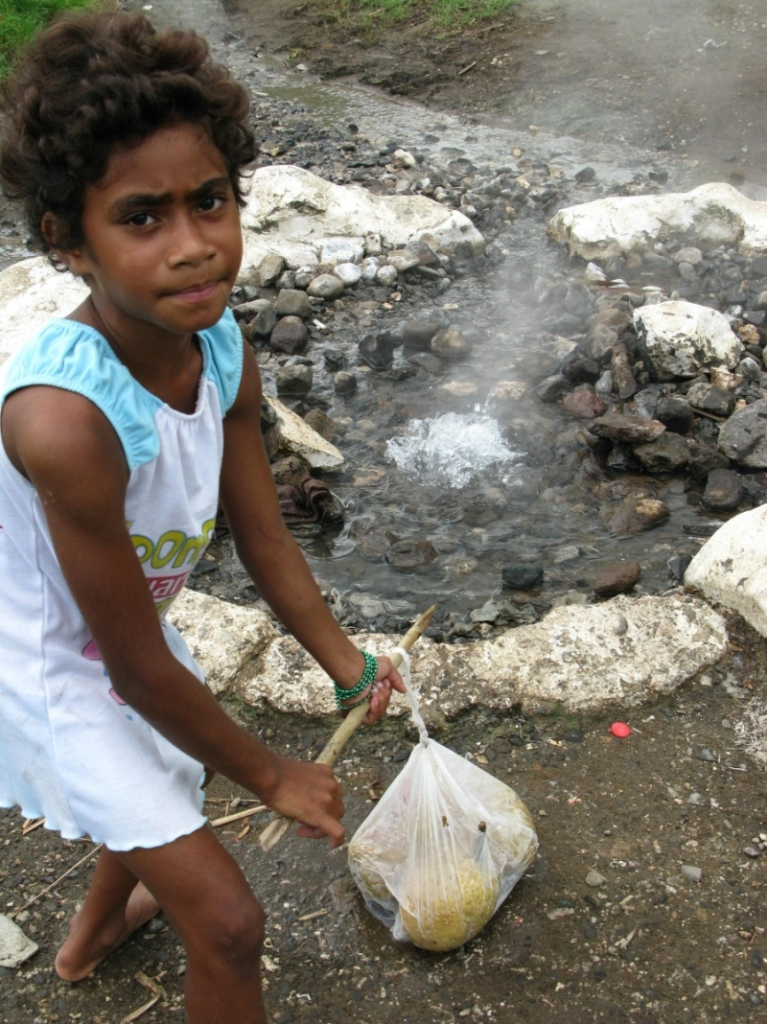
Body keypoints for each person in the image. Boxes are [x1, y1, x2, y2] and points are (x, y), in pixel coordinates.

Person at [0, 11, 404, 1021]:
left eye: (211, 202)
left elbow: (264, 540)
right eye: (142, 218)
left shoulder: (220, 347)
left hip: (126, 632)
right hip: (52, 665)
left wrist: (344, 661)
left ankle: (85, 947)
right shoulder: (63, 423)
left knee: (166, 784)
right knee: (226, 922)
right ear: (66, 243)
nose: (193, 248)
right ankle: (130, 917)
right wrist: (271, 773)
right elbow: (131, 669)